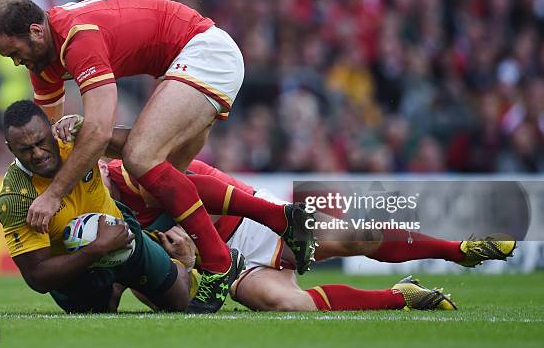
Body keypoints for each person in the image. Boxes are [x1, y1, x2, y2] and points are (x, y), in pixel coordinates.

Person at [0, 0, 316, 313]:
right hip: (188, 61)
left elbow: (99, 130)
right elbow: (45, 138)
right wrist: (16, 185)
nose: (17, 62)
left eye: (15, 53)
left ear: (36, 31)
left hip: (204, 52)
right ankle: (279, 217)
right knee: (151, 188)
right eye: (9, 59)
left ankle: (219, 263)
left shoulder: (77, 37)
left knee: (140, 157)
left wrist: (54, 194)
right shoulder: (43, 62)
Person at [48, 115, 513, 312]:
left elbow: (198, 187)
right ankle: (403, 296)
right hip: (225, 266)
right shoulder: (106, 227)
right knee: (285, 304)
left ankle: (461, 250)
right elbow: (163, 292)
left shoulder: (129, 172)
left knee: (355, 238)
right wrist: (181, 267)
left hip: (250, 220)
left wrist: (274, 214)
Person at [0, 100, 191, 313]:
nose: (38, 154)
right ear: (10, 148)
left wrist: (95, 129)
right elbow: (37, 277)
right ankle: (118, 285)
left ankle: (179, 262)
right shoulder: (15, 198)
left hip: (123, 234)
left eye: (41, 142)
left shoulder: (76, 139)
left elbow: (144, 146)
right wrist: (97, 249)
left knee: (180, 304)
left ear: (52, 127)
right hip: (77, 273)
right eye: (26, 149)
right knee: (101, 312)